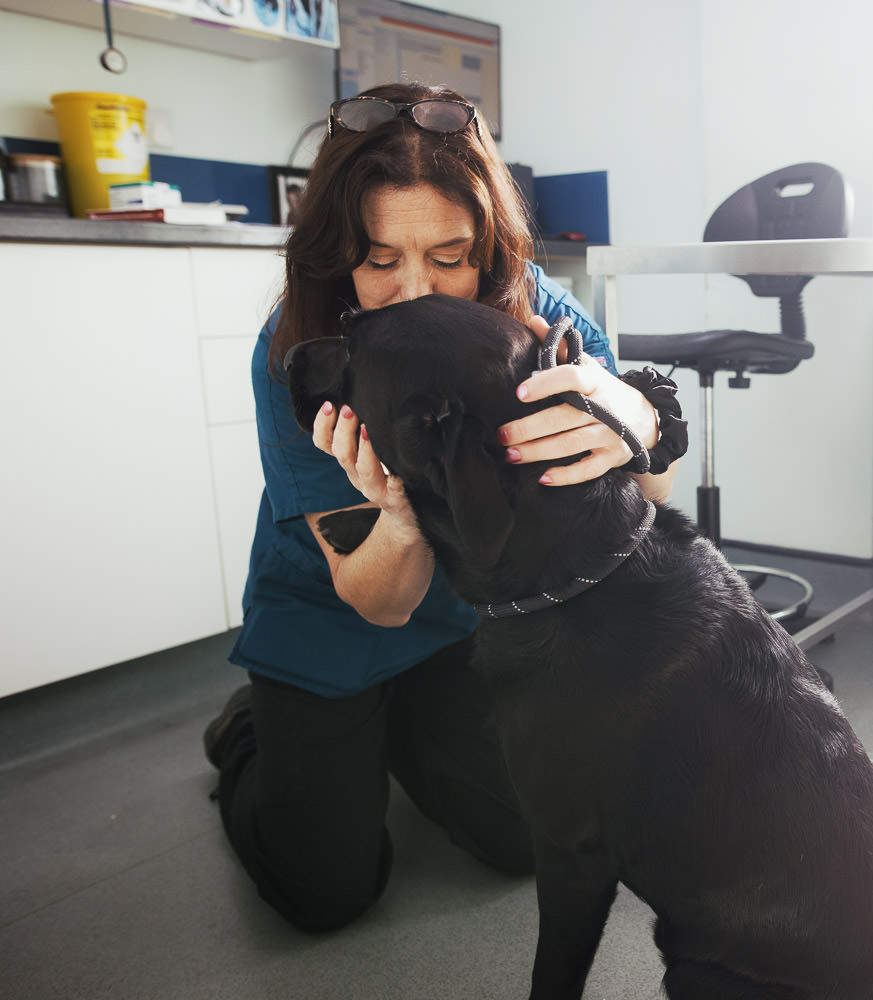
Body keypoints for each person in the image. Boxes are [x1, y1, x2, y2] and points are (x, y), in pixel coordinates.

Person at [203, 82, 685, 933]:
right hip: (337, 608)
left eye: (450, 258)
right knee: (323, 892)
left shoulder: (534, 306)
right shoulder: (296, 347)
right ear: (335, 252)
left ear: (490, 252)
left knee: (517, 839)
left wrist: (642, 421)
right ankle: (254, 731)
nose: (416, 290)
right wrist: (397, 512)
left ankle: (394, 732)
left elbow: (654, 491)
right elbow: (376, 602)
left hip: (464, 622)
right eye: (381, 260)